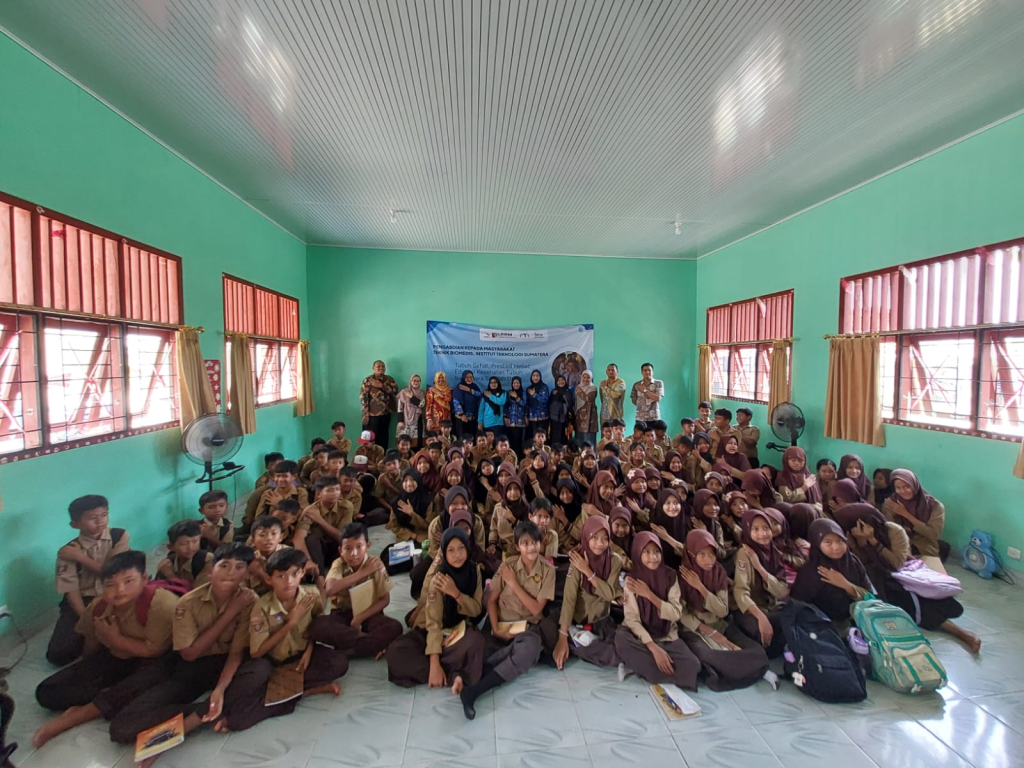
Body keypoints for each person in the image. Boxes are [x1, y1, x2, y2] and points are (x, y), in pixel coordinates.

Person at [107, 543, 256, 745]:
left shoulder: (249, 599)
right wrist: (230, 613)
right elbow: (189, 654)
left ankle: (206, 712)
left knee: (258, 671)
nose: (231, 573)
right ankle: (202, 712)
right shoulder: (189, 603)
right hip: (193, 667)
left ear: (247, 573)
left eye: (239, 567)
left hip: (228, 666)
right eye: (224, 565)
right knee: (121, 728)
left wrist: (220, 689)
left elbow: (236, 653)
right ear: (210, 569)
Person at [34, 551, 177, 748]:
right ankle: (107, 697)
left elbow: (153, 651)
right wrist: (87, 671)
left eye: (128, 581)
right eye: (110, 584)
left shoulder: (162, 604)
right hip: (117, 657)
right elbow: (90, 645)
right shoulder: (99, 606)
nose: (119, 590)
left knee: (148, 681)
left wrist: (115, 639)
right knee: (47, 692)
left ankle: (80, 715)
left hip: (154, 662)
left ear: (144, 579)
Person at [220, 549, 343, 733]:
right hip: (273, 663)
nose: (289, 581)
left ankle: (282, 693)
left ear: (302, 572)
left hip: (300, 660)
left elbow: (317, 627)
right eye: (281, 576)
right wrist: (290, 623)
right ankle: (306, 691)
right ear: (269, 579)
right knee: (239, 718)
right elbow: (257, 652)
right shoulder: (262, 607)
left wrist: (309, 650)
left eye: (294, 574)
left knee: (338, 663)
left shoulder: (311, 596)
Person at [832, 503, 980, 653]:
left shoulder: (894, 531)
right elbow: (862, 566)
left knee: (915, 602)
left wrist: (873, 541)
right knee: (885, 597)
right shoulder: (851, 534)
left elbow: (896, 564)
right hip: (878, 579)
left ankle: (962, 633)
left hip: (903, 574)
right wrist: (862, 543)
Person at [459, 521, 555, 720]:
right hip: (500, 623)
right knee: (477, 650)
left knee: (528, 650)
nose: (531, 547)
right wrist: (495, 628)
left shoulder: (548, 570)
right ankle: (499, 662)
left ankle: (475, 691)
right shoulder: (507, 566)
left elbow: (536, 609)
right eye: (525, 543)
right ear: (518, 546)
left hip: (527, 627)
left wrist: (513, 583)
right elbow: (492, 601)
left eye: (535, 542)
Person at [386, 524, 488, 690]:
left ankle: (447, 670)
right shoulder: (439, 578)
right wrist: (434, 661)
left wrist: (455, 593)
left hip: (457, 633)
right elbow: (433, 623)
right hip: (432, 633)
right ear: (444, 553)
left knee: (477, 643)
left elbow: (476, 609)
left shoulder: (474, 570)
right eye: (451, 550)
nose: (457, 555)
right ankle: (453, 671)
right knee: (396, 652)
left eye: (461, 548)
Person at [677, 529, 770, 691]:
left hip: (719, 623)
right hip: (694, 629)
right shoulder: (682, 576)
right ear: (691, 554)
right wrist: (710, 632)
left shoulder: (718, 572)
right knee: (710, 656)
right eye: (702, 554)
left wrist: (701, 588)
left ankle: (740, 669)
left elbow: (722, 611)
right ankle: (750, 670)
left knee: (758, 652)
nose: (709, 560)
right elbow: (682, 614)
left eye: (711, 554)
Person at [47, 494, 130, 666]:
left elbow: (114, 574)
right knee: (58, 655)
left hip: (116, 594)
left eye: (104, 515)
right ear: (75, 524)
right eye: (92, 518)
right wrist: (86, 618)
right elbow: (71, 590)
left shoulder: (119, 536)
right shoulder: (68, 551)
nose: (100, 522)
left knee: (121, 639)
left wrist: (81, 558)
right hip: (84, 601)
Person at [615, 533, 701, 689]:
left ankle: (638, 666)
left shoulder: (670, 576)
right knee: (621, 640)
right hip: (640, 636)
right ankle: (645, 664)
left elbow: (676, 613)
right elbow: (632, 619)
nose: (653, 557)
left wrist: (649, 595)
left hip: (666, 634)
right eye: (646, 552)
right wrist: (653, 648)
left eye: (656, 551)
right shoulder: (631, 579)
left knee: (693, 666)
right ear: (637, 553)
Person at [308, 523, 403, 659]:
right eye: (348, 548)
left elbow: (384, 600)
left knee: (394, 627)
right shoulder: (338, 564)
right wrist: (363, 573)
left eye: (359, 547)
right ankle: (367, 644)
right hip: (341, 615)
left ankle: (347, 650)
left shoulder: (375, 563)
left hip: (369, 614)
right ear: (340, 550)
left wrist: (359, 618)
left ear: (368, 546)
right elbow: (329, 589)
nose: (354, 554)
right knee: (317, 626)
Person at [543, 517, 623, 671]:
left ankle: (583, 645)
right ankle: (578, 640)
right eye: (595, 537)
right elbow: (569, 599)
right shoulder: (577, 561)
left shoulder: (614, 561)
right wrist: (562, 636)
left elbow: (609, 594)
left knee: (618, 651)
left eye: (605, 538)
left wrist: (587, 571)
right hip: (577, 619)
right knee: (547, 638)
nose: (600, 543)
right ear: (586, 537)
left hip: (602, 620)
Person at [791, 519, 871, 632]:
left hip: (861, 619)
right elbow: (798, 605)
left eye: (840, 541)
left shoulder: (853, 562)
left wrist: (845, 585)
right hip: (823, 627)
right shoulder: (809, 571)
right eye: (828, 542)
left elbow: (870, 595)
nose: (836, 547)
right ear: (817, 543)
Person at [733, 510, 790, 658]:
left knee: (796, 617)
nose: (762, 534)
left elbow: (781, 591)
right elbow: (740, 592)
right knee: (762, 632)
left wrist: (759, 568)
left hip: (772, 605)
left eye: (766, 528)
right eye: (755, 529)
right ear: (747, 530)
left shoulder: (774, 551)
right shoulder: (744, 553)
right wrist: (760, 616)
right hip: (751, 609)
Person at [294, 475, 355, 573]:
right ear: (319, 494)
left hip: (336, 547)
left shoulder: (346, 507)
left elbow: (343, 537)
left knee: (354, 535)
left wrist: (319, 520)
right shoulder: (310, 510)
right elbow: (298, 538)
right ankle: (319, 572)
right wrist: (308, 561)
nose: (335, 493)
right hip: (318, 550)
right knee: (313, 535)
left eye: (337, 489)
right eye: (329, 490)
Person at [883, 469, 946, 559]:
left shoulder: (935, 506)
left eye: (907, 486)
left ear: (914, 485)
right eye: (898, 488)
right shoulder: (891, 503)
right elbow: (889, 530)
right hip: (899, 543)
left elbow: (933, 534)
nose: (902, 491)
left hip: (923, 546)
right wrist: (891, 514)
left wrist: (906, 514)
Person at [156, 521, 214, 588]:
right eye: (184, 543)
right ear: (171, 547)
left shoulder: (206, 559)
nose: (190, 547)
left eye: (195, 541)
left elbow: (197, 592)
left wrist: (170, 575)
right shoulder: (167, 564)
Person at [360, 360, 398, 449]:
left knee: (383, 437)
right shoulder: (368, 380)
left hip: (386, 413)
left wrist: (382, 386)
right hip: (372, 414)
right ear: (373, 368)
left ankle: (382, 455)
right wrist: (365, 414)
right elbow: (363, 397)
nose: (381, 368)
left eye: (383, 366)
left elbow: (395, 392)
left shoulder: (389, 379)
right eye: (378, 366)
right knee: (370, 438)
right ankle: (368, 456)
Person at [247, 516, 287, 595]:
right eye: (262, 535)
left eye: (273, 534)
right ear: (253, 540)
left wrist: (259, 572)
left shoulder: (288, 554)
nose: (269, 538)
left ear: (281, 537)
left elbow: (282, 589)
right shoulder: (251, 559)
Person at [396, 374, 426, 447]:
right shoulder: (404, 392)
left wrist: (411, 397)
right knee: (404, 439)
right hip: (405, 419)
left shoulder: (422, 393)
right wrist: (400, 421)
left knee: (418, 440)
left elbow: (421, 404)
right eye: (414, 380)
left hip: (417, 418)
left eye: (418, 381)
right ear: (410, 381)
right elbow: (400, 407)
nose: (416, 382)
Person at [452, 370, 482, 440]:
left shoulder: (474, 386)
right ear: (463, 378)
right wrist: (462, 415)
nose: (469, 379)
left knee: (472, 438)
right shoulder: (459, 387)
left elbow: (480, 395)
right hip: (462, 419)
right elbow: (456, 402)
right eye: (467, 377)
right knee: (462, 438)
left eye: (471, 377)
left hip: (473, 418)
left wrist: (469, 390)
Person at [573, 370, 599, 447]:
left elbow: (588, 398)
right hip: (579, 415)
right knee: (579, 436)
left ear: (591, 378)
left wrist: (580, 391)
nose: (585, 379)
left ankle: (590, 452)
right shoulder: (578, 387)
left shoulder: (593, 388)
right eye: (584, 377)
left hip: (590, 416)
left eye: (588, 377)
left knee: (589, 437)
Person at [504, 376, 528, 457]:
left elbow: (524, 404)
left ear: (520, 383)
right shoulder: (508, 393)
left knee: (518, 442)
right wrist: (505, 417)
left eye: (517, 383)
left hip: (520, 422)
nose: (516, 384)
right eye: (514, 383)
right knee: (511, 442)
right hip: (510, 422)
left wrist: (516, 397)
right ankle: (511, 458)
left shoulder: (523, 393)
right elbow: (505, 406)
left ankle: (519, 459)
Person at [548, 374, 574, 445]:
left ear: (565, 381)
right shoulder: (553, 392)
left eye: (562, 380)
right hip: (554, 420)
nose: (561, 382)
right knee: (555, 437)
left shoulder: (568, 392)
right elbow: (549, 404)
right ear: (556, 382)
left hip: (566, 420)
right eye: (559, 381)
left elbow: (571, 405)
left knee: (565, 438)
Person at [525, 369, 551, 439]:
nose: (535, 377)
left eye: (537, 376)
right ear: (531, 377)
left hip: (543, 417)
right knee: (533, 438)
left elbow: (544, 400)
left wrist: (534, 394)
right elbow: (527, 404)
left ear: (540, 377)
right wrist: (526, 416)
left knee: (542, 437)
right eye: (533, 376)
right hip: (531, 418)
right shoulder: (529, 389)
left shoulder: (544, 387)